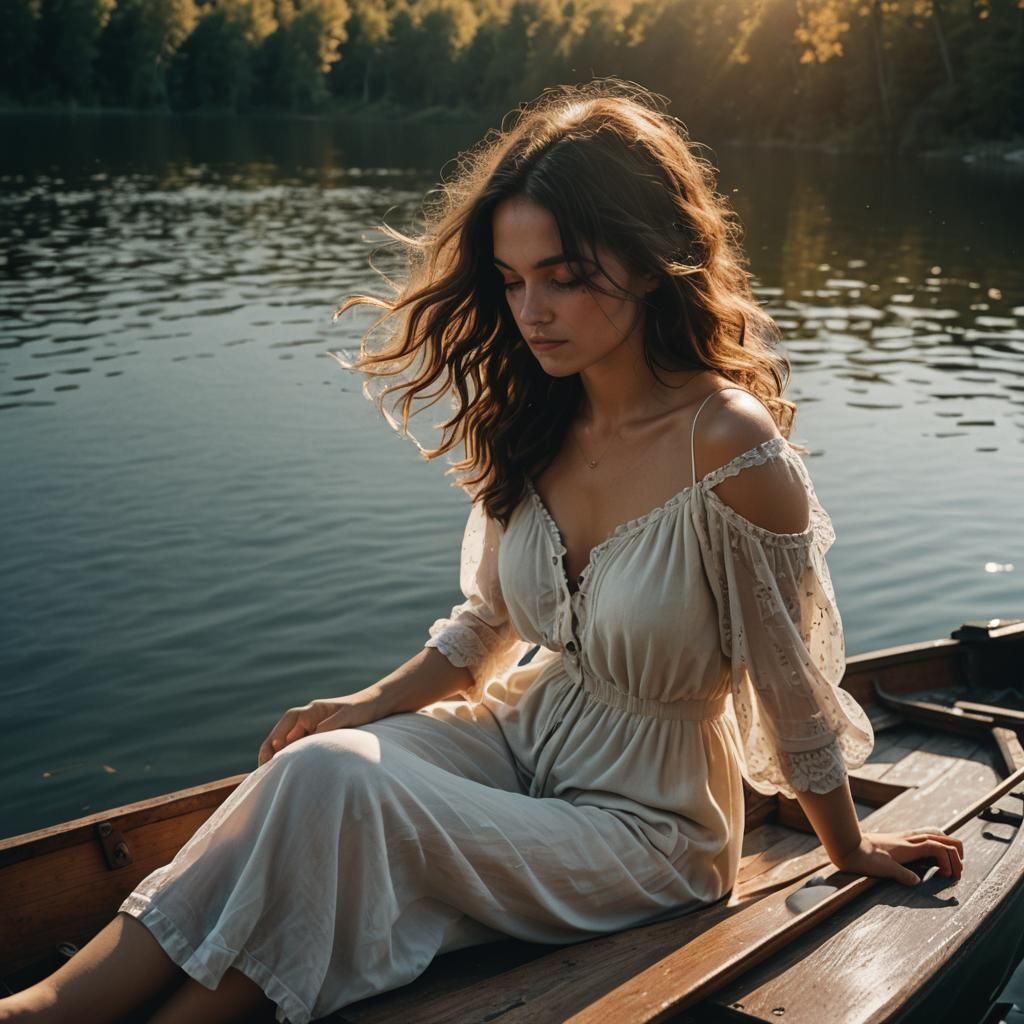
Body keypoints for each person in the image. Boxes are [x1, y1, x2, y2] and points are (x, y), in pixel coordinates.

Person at [0, 78, 964, 1024]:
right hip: (518, 737)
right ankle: (45, 1010)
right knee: (314, 763)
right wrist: (367, 704)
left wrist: (848, 849)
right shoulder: (540, 416)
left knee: (342, 792)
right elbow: (488, 625)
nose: (531, 311)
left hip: (651, 826)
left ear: (648, 257)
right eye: (512, 281)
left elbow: (788, 683)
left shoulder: (730, 446)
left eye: (563, 277)